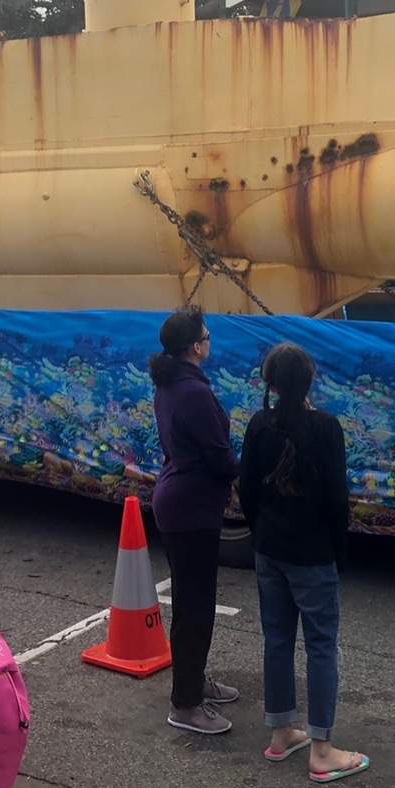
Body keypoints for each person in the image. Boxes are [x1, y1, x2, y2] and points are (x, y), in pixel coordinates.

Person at [239, 343, 367, 782]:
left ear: (271, 384)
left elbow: (247, 490)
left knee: (277, 639)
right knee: (320, 645)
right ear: (309, 382)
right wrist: (339, 550)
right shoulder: (326, 428)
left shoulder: (259, 425)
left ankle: (281, 733)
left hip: (269, 549)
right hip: (312, 554)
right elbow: (337, 499)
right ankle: (322, 749)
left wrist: (261, 534)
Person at [148, 306, 241, 736]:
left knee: (193, 602)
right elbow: (218, 454)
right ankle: (185, 703)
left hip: (180, 500)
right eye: (206, 335)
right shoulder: (192, 392)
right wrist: (245, 477)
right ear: (193, 347)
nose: (209, 340)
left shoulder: (173, 385)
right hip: (190, 509)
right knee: (194, 607)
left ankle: (194, 680)